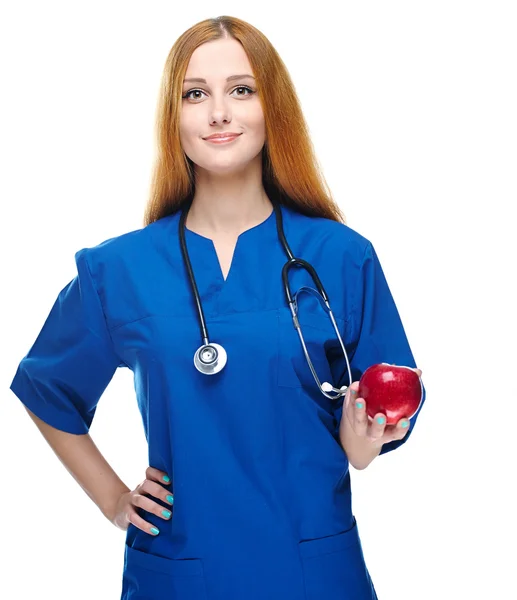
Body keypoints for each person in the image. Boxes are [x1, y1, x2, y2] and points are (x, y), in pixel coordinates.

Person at [9, 15, 426, 600]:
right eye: (195, 93)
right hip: (179, 573)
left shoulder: (340, 256)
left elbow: (391, 391)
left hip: (312, 570)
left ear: (271, 108)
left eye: (241, 90)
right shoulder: (119, 269)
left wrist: (363, 442)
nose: (218, 112)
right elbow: (45, 387)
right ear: (172, 116)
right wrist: (111, 499)